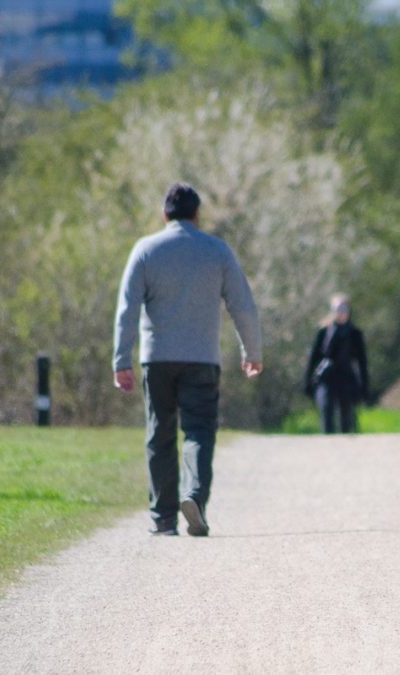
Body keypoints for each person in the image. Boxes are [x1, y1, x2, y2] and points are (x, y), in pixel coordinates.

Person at [113, 182, 264, 537]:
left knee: (159, 434)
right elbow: (242, 304)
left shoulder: (145, 249)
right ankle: (193, 496)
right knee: (198, 431)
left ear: (164, 214)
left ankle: (163, 519)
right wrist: (252, 352)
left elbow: (127, 309)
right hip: (201, 359)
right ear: (197, 215)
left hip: (158, 358)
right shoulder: (217, 251)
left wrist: (122, 360)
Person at [303, 293, 369, 434]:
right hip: (326, 377)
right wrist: (307, 381)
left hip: (346, 378)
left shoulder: (355, 333)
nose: (340, 313)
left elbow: (362, 362)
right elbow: (313, 358)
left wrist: (364, 386)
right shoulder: (323, 332)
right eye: (337, 309)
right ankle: (328, 445)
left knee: (346, 416)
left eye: (343, 309)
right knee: (326, 409)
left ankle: (344, 448)